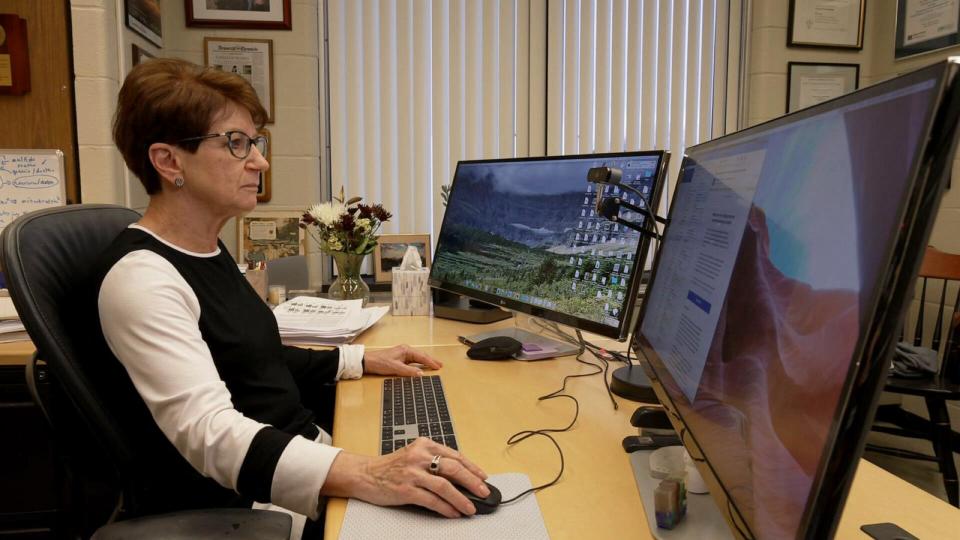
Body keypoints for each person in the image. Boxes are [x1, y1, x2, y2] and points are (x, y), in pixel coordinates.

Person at [80, 58, 489, 538]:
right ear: (169, 161)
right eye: (235, 143)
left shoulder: (205, 250)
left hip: (304, 458)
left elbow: (254, 359)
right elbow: (210, 434)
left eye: (255, 143)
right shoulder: (142, 279)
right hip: (256, 503)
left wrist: (359, 358)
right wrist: (368, 473)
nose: (259, 161)